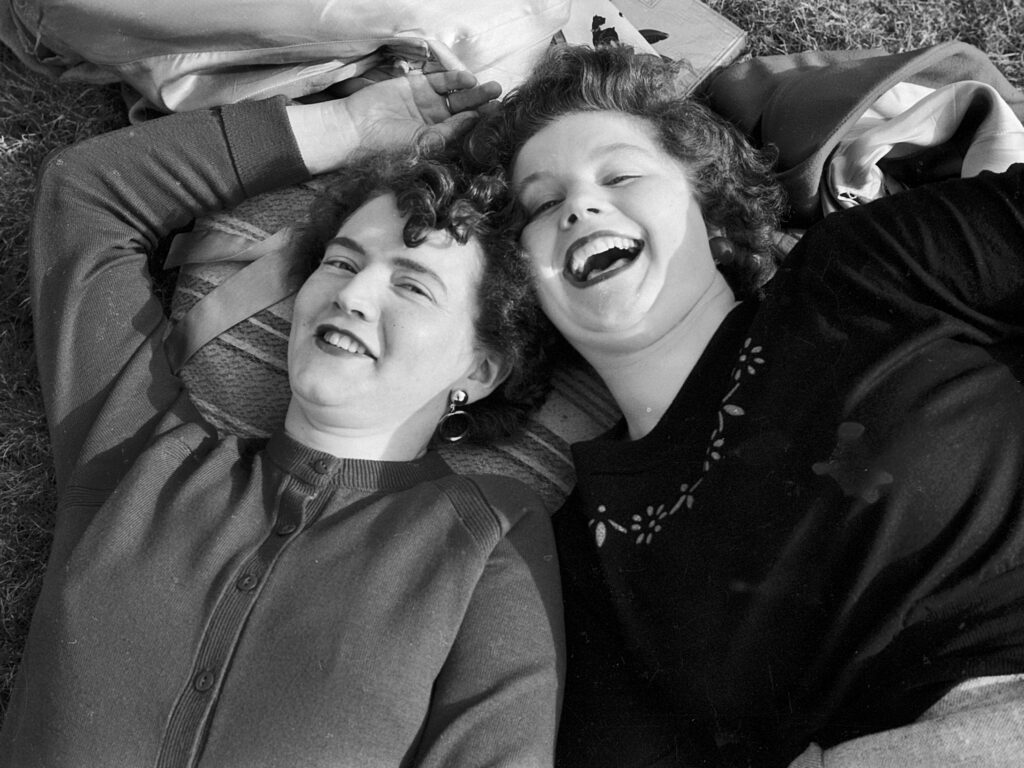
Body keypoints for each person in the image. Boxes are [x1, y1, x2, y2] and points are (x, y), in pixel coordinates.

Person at [466, 43, 1024, 767]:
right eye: (543, 204)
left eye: (623, 174)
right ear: (525, 284)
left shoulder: (861, 272)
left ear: (709, 204)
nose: (580, 206)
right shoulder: (584, 552)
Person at [0, 69, 563, 767]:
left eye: (412, 285)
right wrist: (344, 129)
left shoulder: (484, 538)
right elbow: (85, 197)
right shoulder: (139, 451)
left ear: (479, 371)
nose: (353, 293)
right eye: (340, 261)